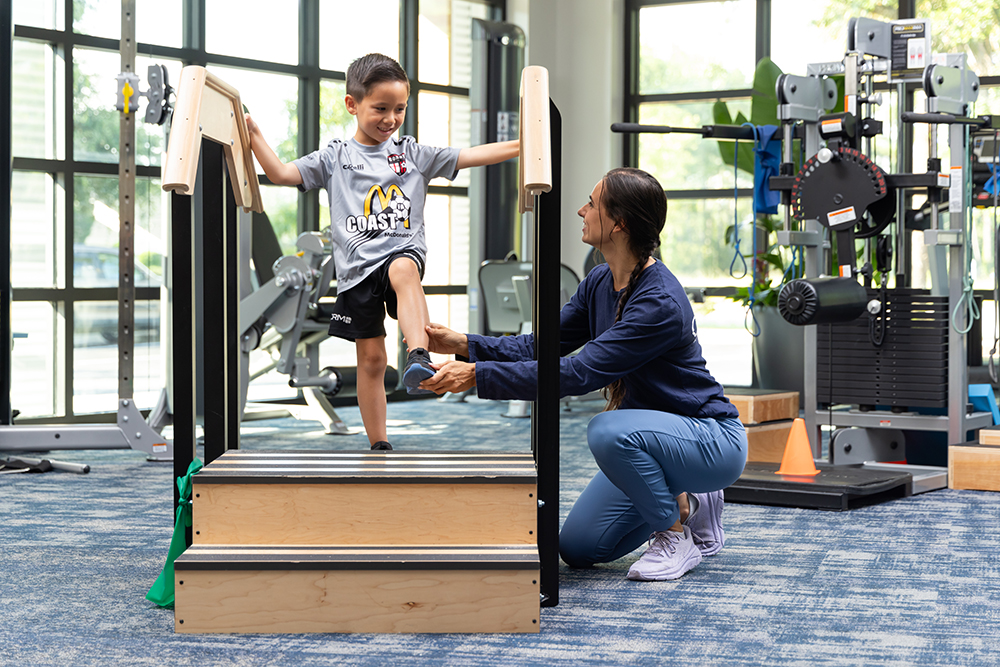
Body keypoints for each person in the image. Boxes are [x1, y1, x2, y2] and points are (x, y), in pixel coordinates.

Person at [419, 167, 748, 581]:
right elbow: (543, 345)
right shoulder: (599, 281)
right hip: (656, 440)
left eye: (592, 204)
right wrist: (466, 344)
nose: (581, 210)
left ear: (619, 223)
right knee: (578, 548)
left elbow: (577, 373)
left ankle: (674, 535)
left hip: (710, 439)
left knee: (607, 430)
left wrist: (476, 376)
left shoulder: (659, 301)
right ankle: (690, 501)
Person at [246, 53, 518, 451]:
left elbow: (471, 155)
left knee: (404, 270)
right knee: (371, 361)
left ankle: (418, 353)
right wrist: (254, 135)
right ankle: (379, 444)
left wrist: (524, 143)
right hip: (357, 272)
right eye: (381, 109)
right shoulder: (335, 157)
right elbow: (282, 174)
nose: (391, 118)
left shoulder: (412, 154)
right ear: (352, 105)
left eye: (400, 108)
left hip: (401, 253)